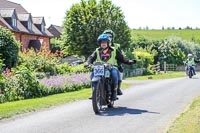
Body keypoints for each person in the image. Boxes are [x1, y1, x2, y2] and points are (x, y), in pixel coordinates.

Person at [84, 34, 136, 100]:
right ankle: (94, 91)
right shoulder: (97, 51)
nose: (103, 44)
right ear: (99, 43)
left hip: (112, 67)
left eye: (105, 42)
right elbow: (91, 58)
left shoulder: (114, 50)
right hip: (100, 68)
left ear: (108, 43)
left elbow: (122, 58)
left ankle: (114, 92)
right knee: (92, 74)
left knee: (114, 74)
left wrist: (129, 61)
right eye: (101, 42)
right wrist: (88, 63)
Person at [103, 29, 124, 95]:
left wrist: (120, 64)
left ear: (113, 38)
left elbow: (120, 57)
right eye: (106, 35)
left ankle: (117, 89)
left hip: (114, 65)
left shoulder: (116, 46)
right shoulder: (102, 45)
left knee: (118, 74)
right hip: (102, 66)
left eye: (110, 36)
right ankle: (95, 91)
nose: (109, 37)